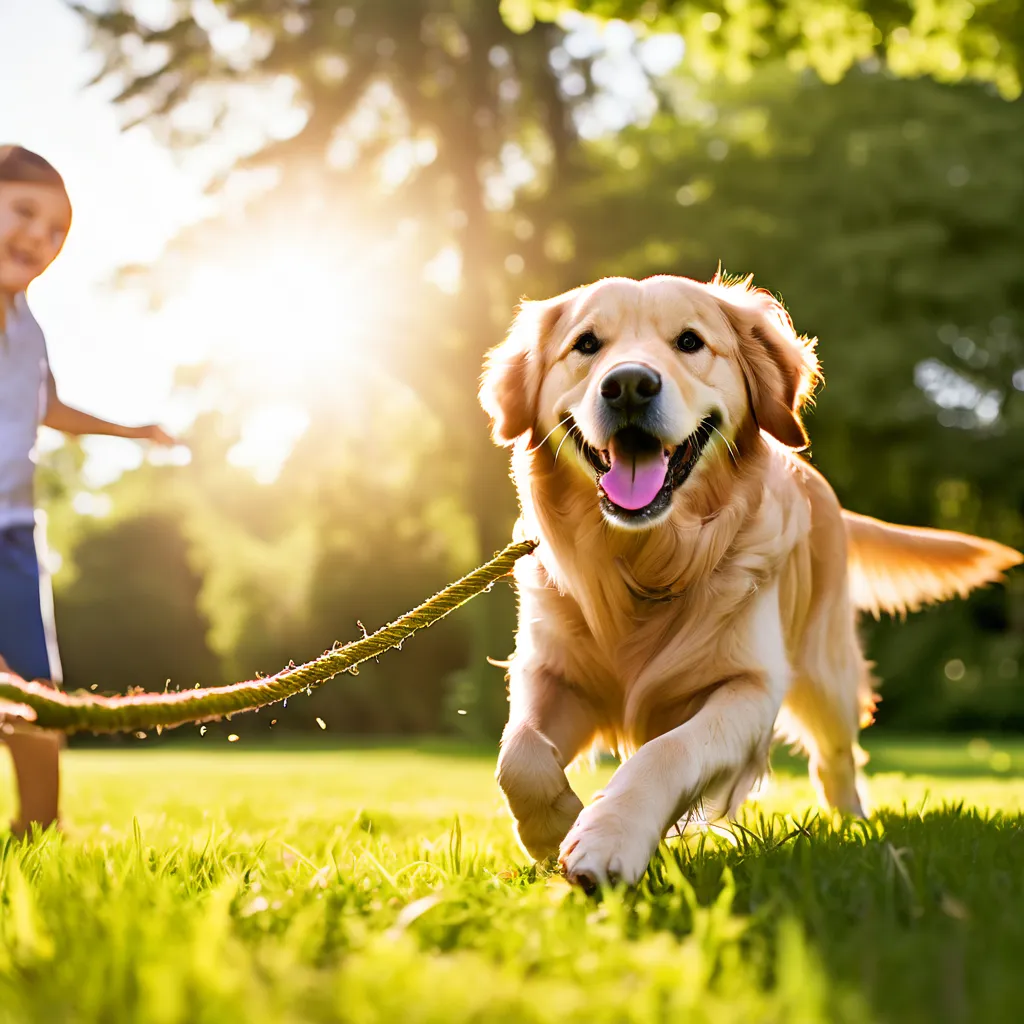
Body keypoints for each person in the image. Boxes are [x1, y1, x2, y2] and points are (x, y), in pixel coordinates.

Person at [0, 144, 174, 837]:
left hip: (13, 531)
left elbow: (48, 408)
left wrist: (132, 431)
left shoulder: (29, 330)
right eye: (24, 213)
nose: (39, 239)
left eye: (57, 232)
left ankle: (38, 829)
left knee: (39, 693)